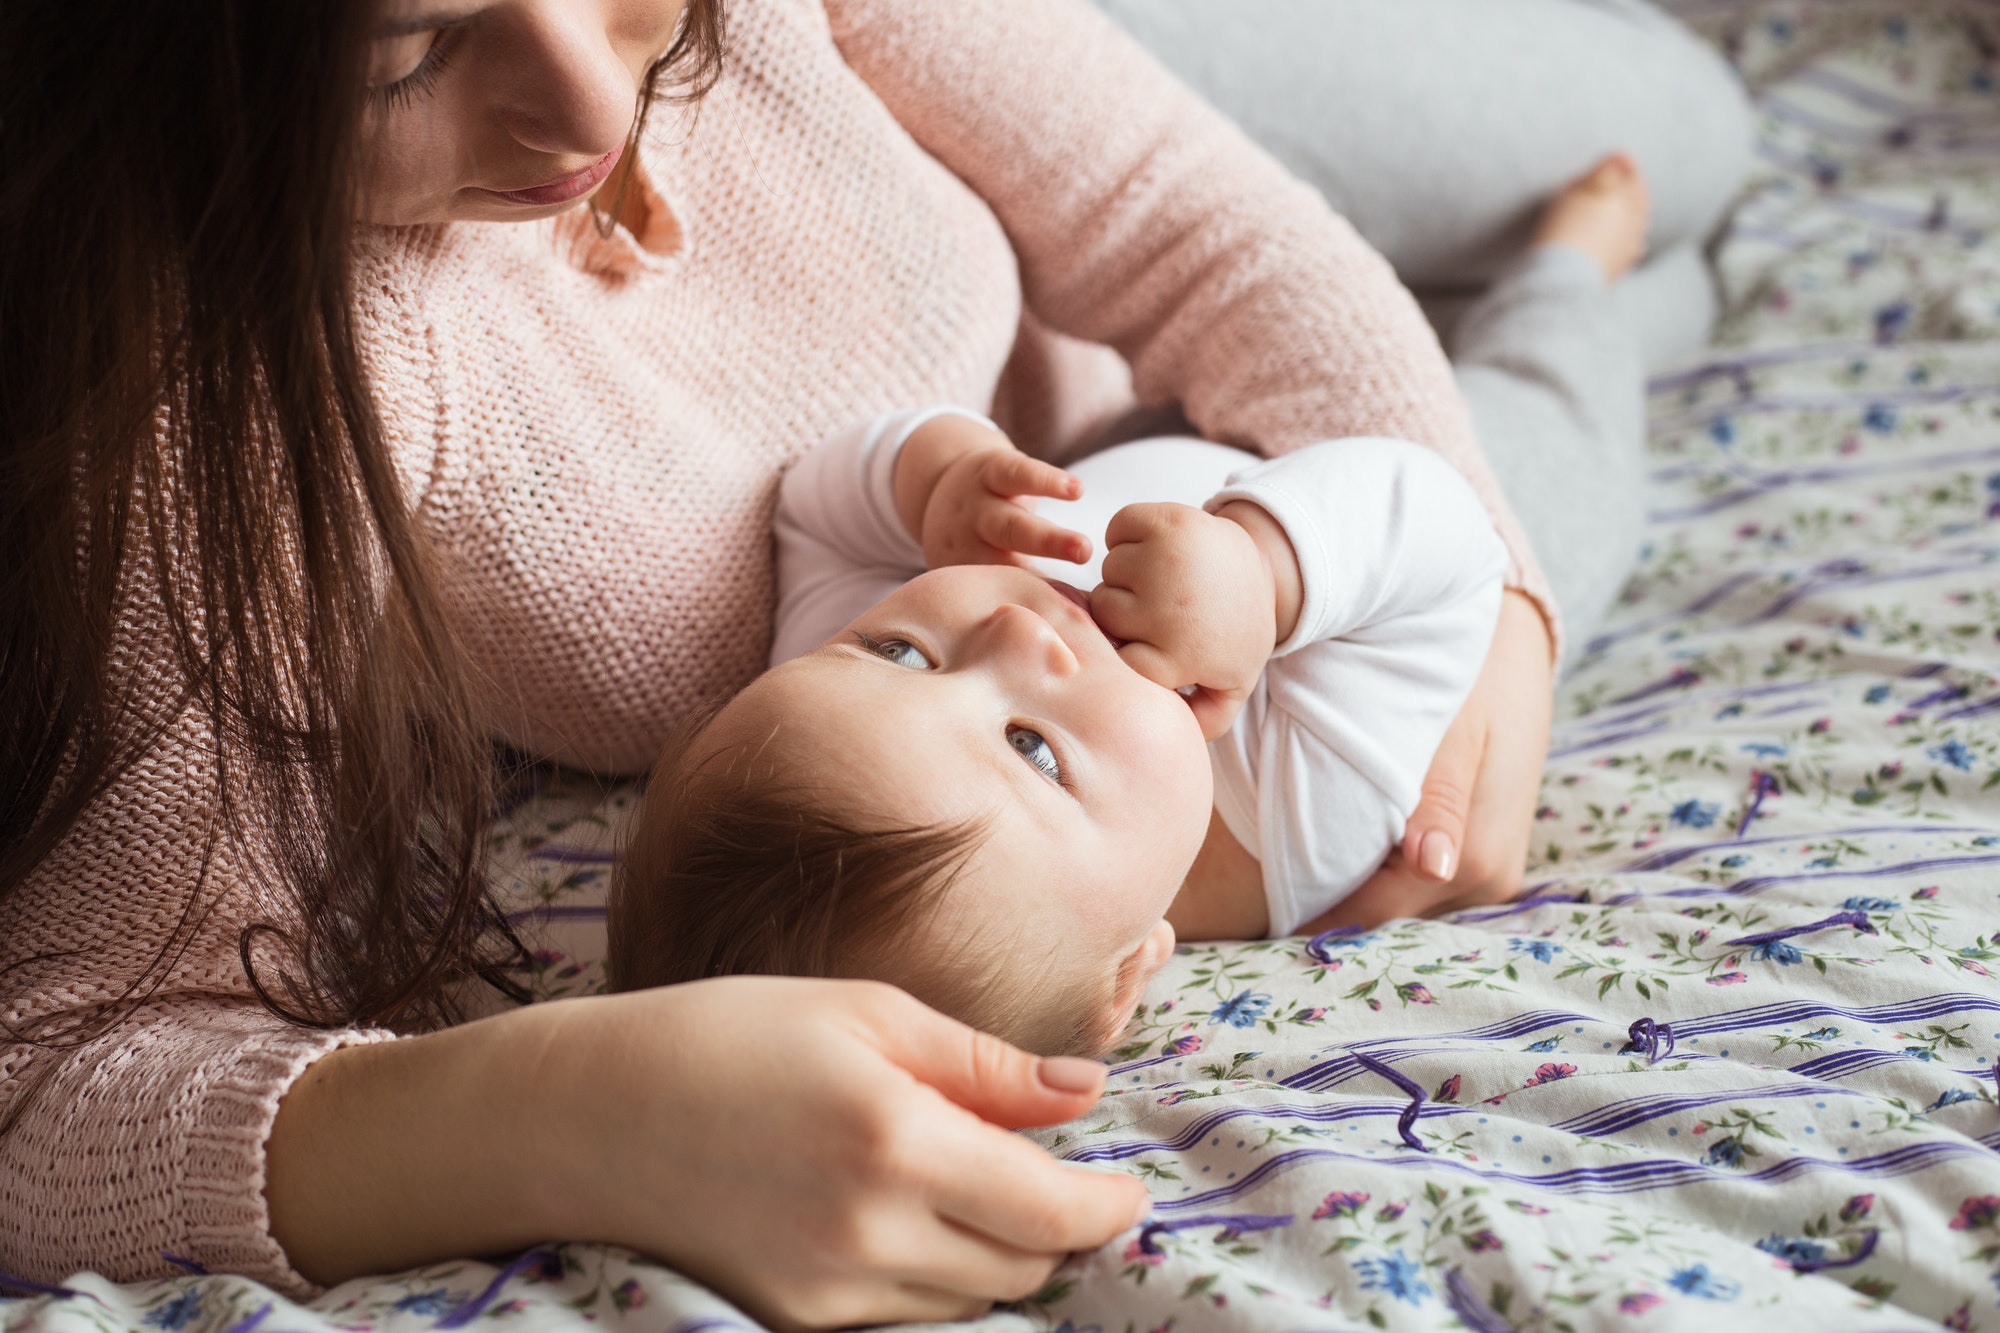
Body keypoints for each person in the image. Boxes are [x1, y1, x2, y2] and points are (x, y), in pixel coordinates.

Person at [0, 2, 1746, 1329]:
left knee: (1698, 132)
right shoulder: (203, 406)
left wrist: (1489, 582)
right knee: (1650, 257)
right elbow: (52, 1060)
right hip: (1183, 495)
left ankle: (1579, 302)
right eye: (409, 52)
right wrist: (562, 1109)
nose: (594, 109)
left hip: (1119, 300)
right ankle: (1585, 307)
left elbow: (1181, 217)